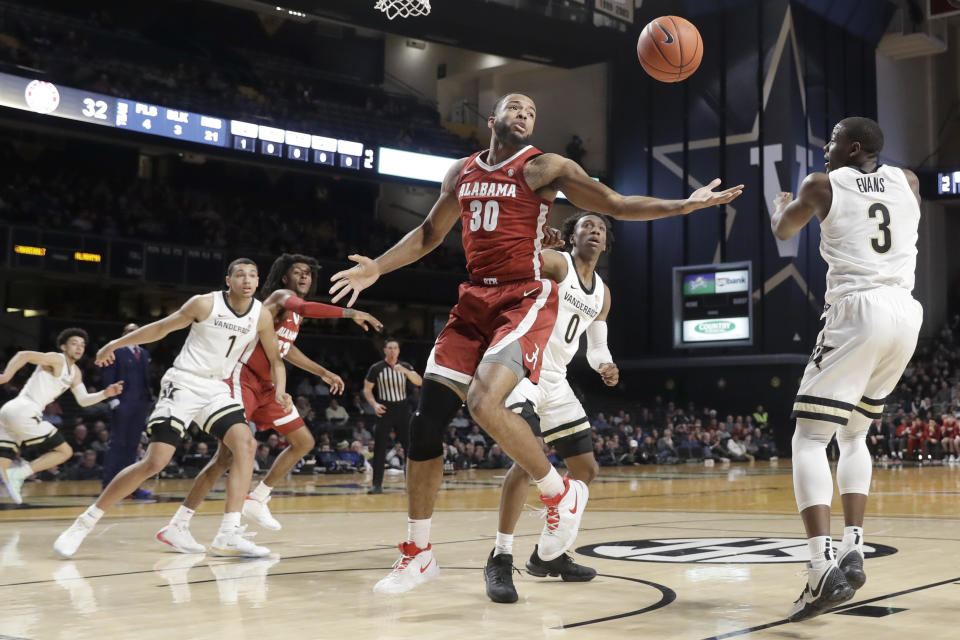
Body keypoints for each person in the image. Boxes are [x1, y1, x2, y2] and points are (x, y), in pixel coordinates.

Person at [330, 92, 742, 594]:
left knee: (485, 402)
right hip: (472, 301)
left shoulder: (544, 167)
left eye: (531, 110)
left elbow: (614, 203)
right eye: (516, 107)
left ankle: (557, 493)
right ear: (493, 119)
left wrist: (685, 205)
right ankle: (418, 554)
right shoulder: (460, 171)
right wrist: (376, 266)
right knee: (425, 424)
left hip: (522, 298)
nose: (525, 114)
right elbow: (427, 233)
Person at [771, 116, 923, 622]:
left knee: (809, 439)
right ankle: (853, 546)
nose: (824, 147)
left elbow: (783, 230)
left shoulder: (819, 184)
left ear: (853, 146)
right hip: (906, 311)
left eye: (832, 140)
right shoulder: (910, 181)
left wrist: (778, 206)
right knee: (855, 434)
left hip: (858, 308)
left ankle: (820, 566)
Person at [53, 258, 292, 558]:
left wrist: (281, 390)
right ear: (228, 280)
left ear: (258, 282)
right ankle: (82, 524)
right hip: (184, 382)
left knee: (245, 444)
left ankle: (227, 534)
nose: (247, 280)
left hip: (216, 388)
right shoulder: (204, 304)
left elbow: (275, 360)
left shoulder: (261, 316)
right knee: (155, 462)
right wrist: (115, 343)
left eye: (253, 275)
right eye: (240, 274)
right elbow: (161, 329)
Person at [156, 253, 381, 553]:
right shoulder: (279, 297)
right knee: (226, 457)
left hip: (269, 386)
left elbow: (285, 350)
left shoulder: (294, 315)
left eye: (308, 274)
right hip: (242, 379)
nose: (304, 277)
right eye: (298, 272)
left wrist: (323, 371)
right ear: (285, 277)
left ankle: (258, 497)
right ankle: (181, 525)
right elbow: (301, 306)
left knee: (303, 442)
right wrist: (351, 314)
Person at [484, 212, 618, 603]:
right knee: (527, 463)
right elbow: (519, 260)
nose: (595, 231)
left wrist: (605, 366)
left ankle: (549, 555)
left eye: (602, 229)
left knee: (586, 468)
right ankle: (500, 556)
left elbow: (596, 347)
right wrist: (537, 238)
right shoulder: (559, 264)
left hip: (557, 380)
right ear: (572, 237)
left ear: (606, 243)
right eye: (587, 226)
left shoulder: (603, 294)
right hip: (526, 369)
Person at [0, 329, 123, 504]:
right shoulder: (57, 359)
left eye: (82, 345)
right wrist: (6, 376)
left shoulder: (75, 372)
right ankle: (19, 473)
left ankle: (13, 476)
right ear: (63, 346)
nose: (79, 347)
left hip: (9, 411)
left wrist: (105, 393)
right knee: (64, 451)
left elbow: (83, 400)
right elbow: (24, 354)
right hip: (25, 410)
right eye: (74, 343)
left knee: (2, 465)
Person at [100, 323, 153, 497]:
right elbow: (108, 375)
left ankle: (131, 487)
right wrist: (113, 400)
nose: (134, 333)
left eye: (137, 330)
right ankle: (108, 487)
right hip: (122, 404)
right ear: (123, 334)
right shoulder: (116, 351)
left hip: (140, 405)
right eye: (130, 331)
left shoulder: (144, 353)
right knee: (117, 445)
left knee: (132, 447)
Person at [363, 338, 422, 494]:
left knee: (408, 447)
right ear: (384, 350)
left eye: (395, 348)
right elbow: (367, 389)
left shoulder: (405, 366)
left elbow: (419, 382)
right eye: (389, 348)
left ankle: (412, 483)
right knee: (380, 448)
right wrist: (374, 404)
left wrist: (406, 372)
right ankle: (376, 485)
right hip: (384, 409)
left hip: (402, 409)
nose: (392, 350)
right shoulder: (376, 368)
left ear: (398, 350)